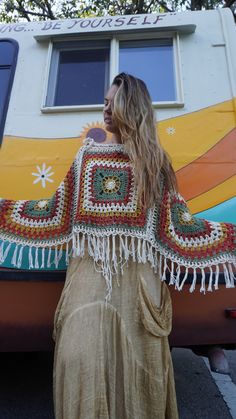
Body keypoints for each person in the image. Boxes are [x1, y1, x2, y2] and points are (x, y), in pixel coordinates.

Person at [0, 73, 235, 419]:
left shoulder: (155, 164)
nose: (105, 109)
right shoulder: (86, 159)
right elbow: (54, 212)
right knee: (79, 362)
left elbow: (179, 225)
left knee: (140, 374)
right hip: (87, 286)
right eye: (106, 102)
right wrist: (5, 208)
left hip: (138, 292)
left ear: (132, 108)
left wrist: (229, 235)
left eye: (113, 103)